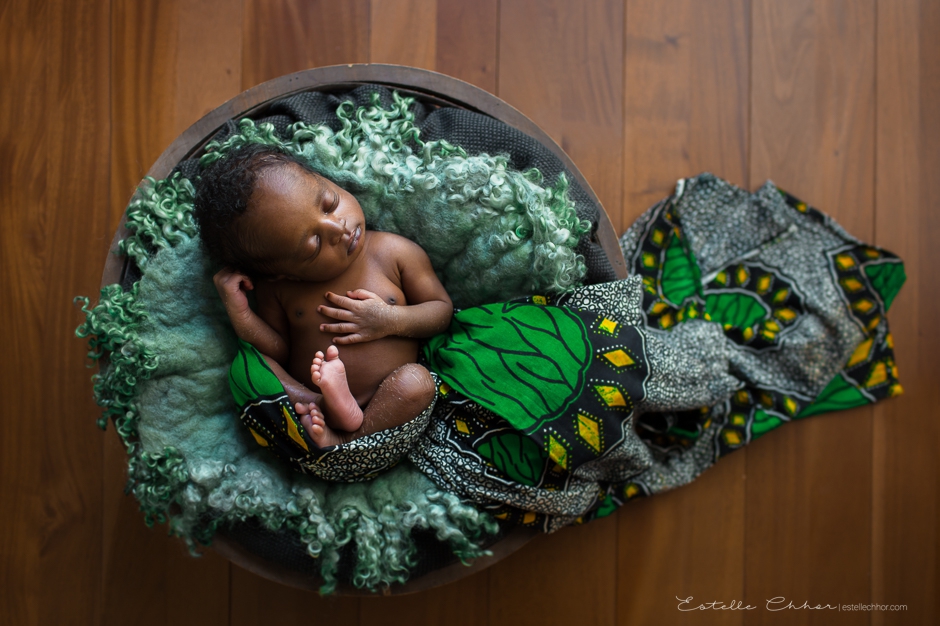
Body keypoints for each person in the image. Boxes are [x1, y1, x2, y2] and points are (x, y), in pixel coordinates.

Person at [194, 144, 453, 448]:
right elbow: (277, 350)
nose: (338, 228)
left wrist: (390, 320)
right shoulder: (279, 289)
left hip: (390, 408)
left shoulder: (394, 252)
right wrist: (240, 313)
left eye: (330, 202)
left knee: (416, 382)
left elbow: (441, 311)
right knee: (250, 364)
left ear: (327, 179)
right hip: (314, 411)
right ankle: (320, 400)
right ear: (282, 273)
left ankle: (351, 437)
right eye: (314, 245)